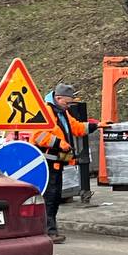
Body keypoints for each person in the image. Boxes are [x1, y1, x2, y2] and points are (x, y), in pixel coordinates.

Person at [31, 83, 99, 243]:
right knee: (50, 198)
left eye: (70, 103)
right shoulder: (46, 112)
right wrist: (58, 143)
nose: (68, 106)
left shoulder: (62, 113)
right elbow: (38, 136)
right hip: (47, 163)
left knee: (55, 198)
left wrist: (97, 125)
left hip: (58, 162)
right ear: (58, 98)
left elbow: (76, 127)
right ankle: (49, 232)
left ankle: (50, 230)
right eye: (66, 103)